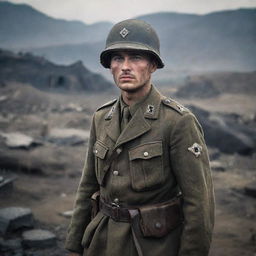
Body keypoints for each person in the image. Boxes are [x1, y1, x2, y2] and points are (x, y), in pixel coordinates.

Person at [65, 19, 215, 256]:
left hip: (151, 246)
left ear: (153, 65)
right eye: (118, 58)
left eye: (135, 58)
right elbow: (88, 185)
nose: (125, 67)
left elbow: (199, 204)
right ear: (109, 65)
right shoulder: (102, 117)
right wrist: (75, 245)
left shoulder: (177, 121)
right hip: (100, 242)